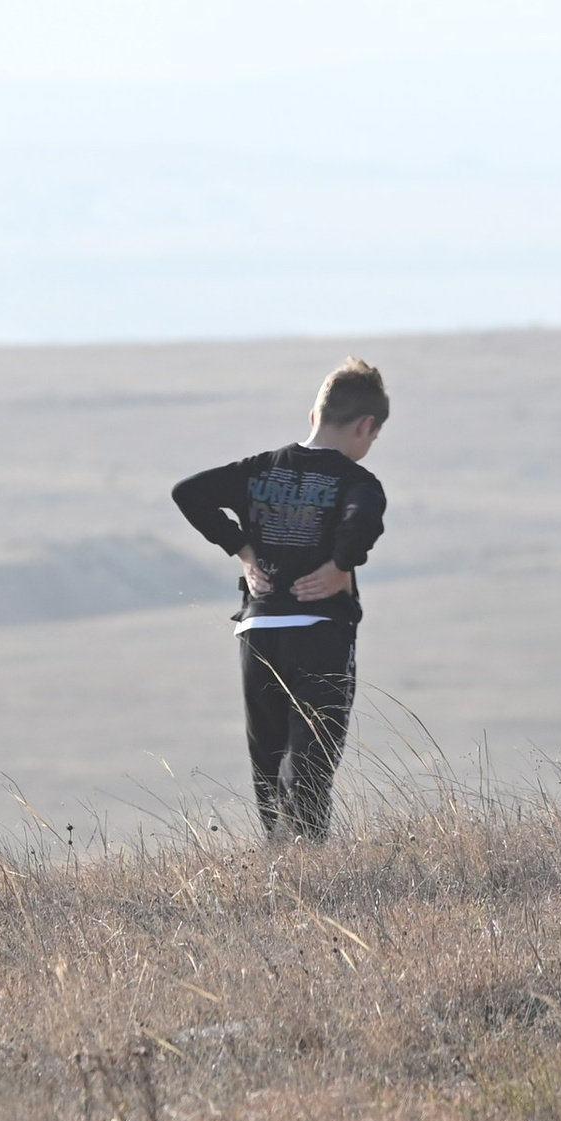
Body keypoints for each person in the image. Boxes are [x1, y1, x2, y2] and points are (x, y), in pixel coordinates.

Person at [171, 359, 390, 842]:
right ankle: (308, 855)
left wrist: (243, 550)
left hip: (259, 630)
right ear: (365, 426)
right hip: (319, 632)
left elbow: (189, 492)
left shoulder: (259, 470)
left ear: (314, 416)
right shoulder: (356, 480)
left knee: (268, 760)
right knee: (312, 761)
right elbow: (363, 520)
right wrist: (340, 565)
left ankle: (279, 856)